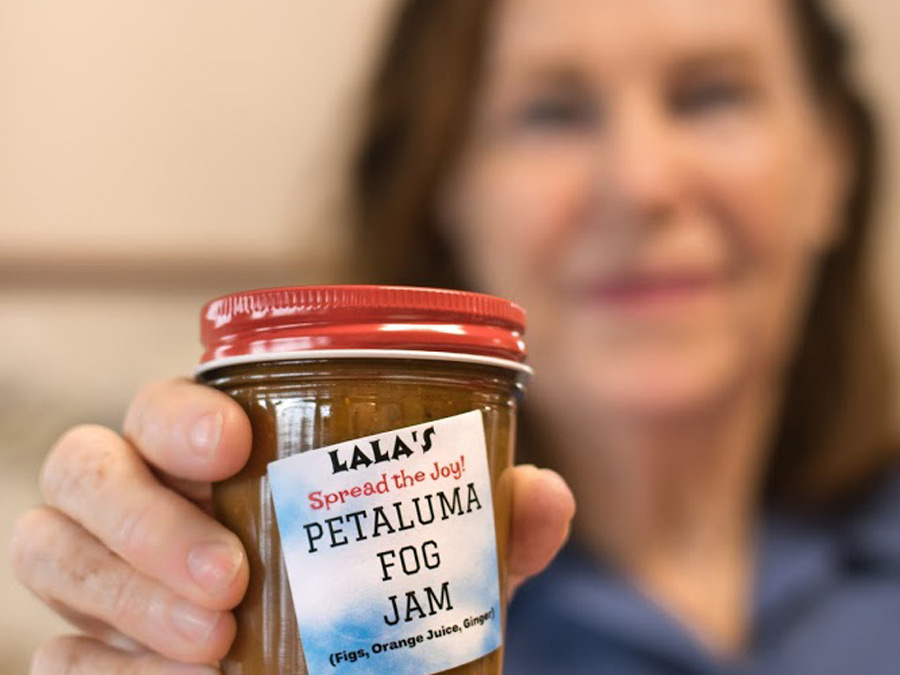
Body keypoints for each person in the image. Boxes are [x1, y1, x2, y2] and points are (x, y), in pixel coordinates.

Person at [11, 0, 899, 672]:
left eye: (711, 95)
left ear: (833, 166)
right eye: (552, 111)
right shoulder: (355, 601)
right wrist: (194, 589)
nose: (642, 181)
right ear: (444, 190)